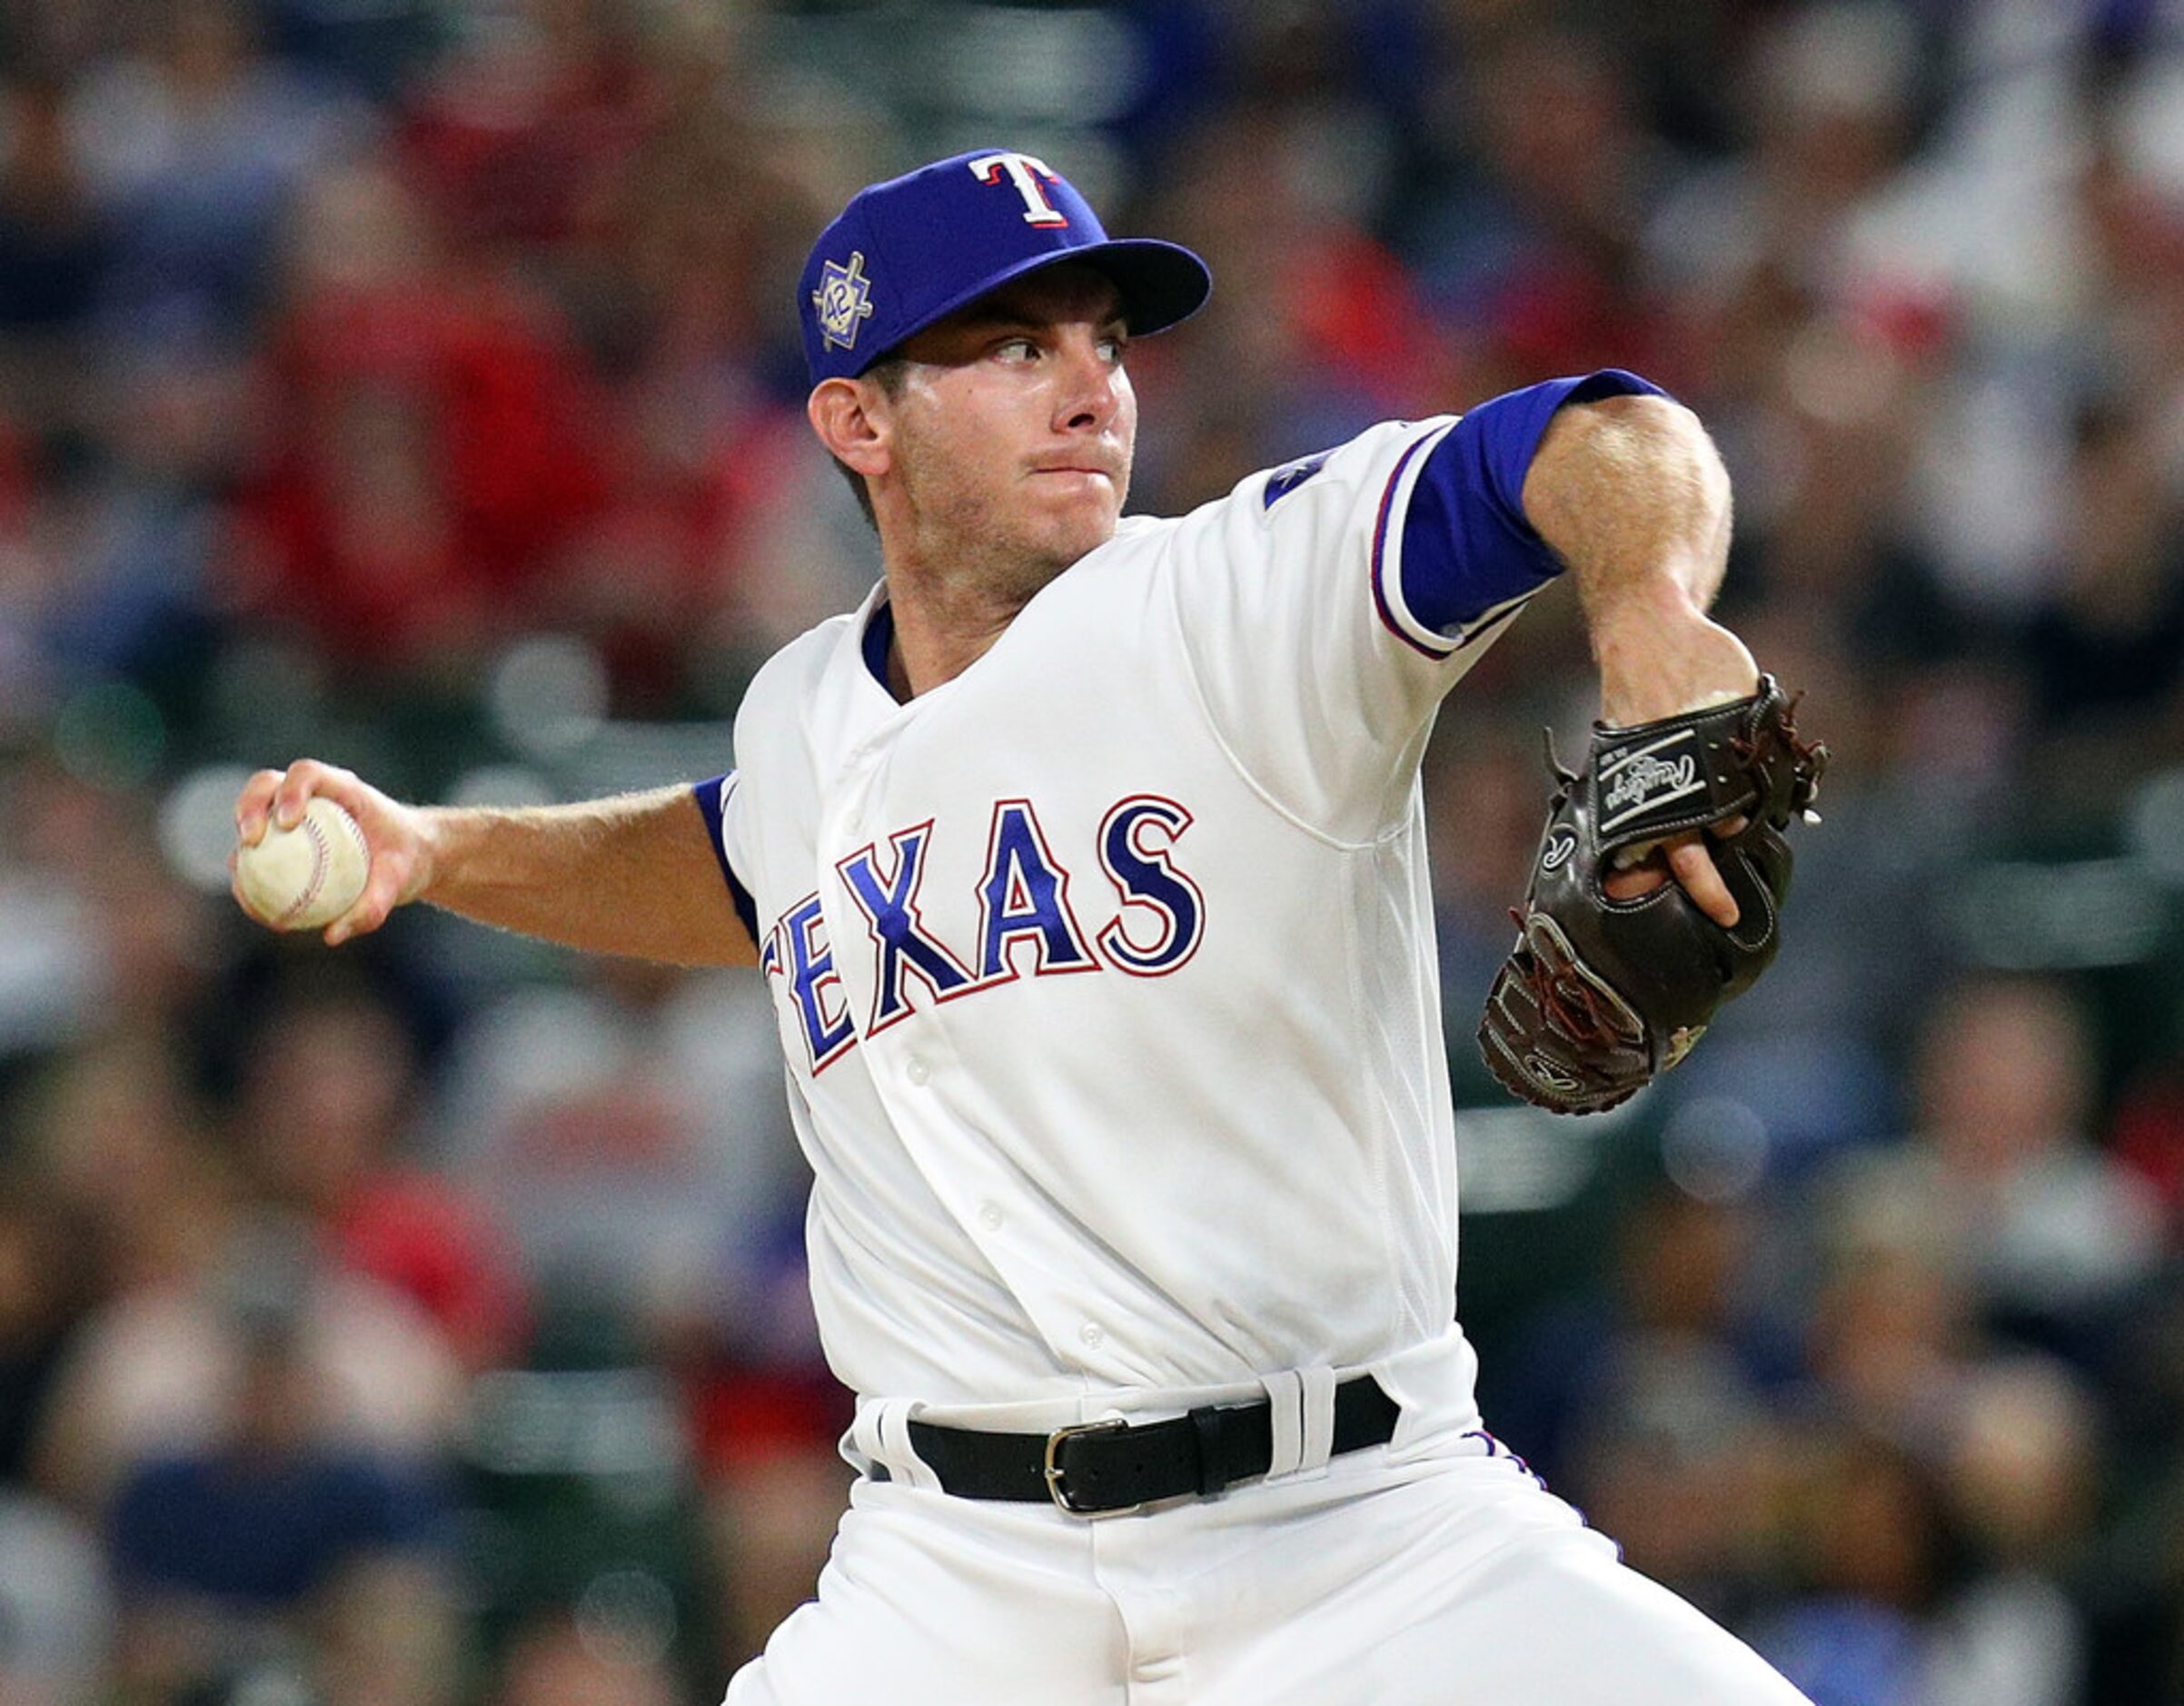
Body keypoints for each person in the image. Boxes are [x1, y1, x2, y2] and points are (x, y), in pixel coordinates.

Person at [233, 149, 1809, 1703]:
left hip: (1358, 1531)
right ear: (858, 420)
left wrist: (1652, 609)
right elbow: (731, 863)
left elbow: (1601, 436)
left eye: (1105, 343)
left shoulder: (1245, 597)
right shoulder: (802, 719)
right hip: (951, 1579)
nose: (1091, 391)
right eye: (1012, 348)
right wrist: (436, 847)